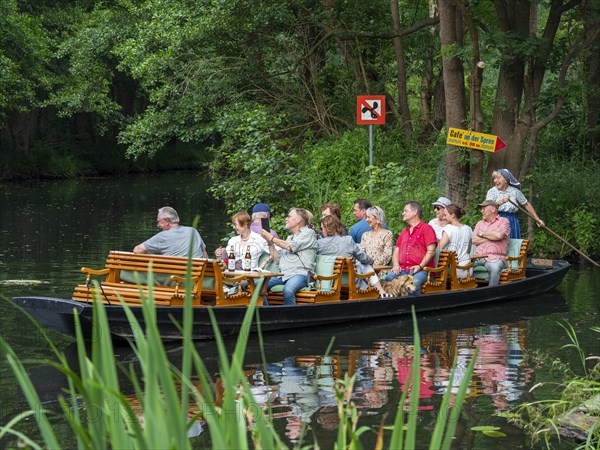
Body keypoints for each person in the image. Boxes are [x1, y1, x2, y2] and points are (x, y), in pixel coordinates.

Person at [318, 215, 390, 298]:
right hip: (349, 280)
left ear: (328, 229)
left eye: (322, 228)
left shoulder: (319, 244)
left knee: (359, 267)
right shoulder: (347, 240)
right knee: (364, 265)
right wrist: (371, 261)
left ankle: (374, 292)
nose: (322, 231)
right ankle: (381, 292)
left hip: (328, 281)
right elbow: (362, 257)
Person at [260, 208, 317, 305]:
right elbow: (277, 258)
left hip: (301, 274)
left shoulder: (308, 233)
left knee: (288, 290)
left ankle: (289, 318)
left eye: (289, 216)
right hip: (284, 275)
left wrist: (272, 238)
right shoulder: (290, 238)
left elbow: (290, 247)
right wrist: (269, 242)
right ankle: (268, 314)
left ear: (298, 220)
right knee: (257, 286)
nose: (286, 219)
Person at [383, 201, 437, 295]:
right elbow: (397, 251)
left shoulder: (427, 229)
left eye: (405, 211)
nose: (403, 213)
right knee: (389, 279)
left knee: (413, 284)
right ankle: (395, 307)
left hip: (422, 270)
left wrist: (420, 266)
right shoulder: (404, 232)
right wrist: (396, 265)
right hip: (403, 270)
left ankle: (414, 308)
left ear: (415, 212)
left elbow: (431, 251)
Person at [485, 169, 544, 239]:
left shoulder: (515, 191)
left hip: (512, 222)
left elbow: (526, 204)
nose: (495, 180)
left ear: (506, 180)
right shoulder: (492, 191)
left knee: (513, 246)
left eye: (498, 178)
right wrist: (502, 201)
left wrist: (537, 219)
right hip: (497, 221)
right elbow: (488, 208)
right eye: (494, 178)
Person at [133, 206, 208, 258]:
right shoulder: (193, 231)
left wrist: (148, 252)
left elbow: (137, 250)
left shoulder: (162, 236)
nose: (157, 225)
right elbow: (205, 257)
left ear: (166, 221)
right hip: (196, 277)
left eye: (158, 221)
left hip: (172, 279)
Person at [472, 200, 510, 286]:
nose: (481, 211)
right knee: (463, 265)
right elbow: (473, 240)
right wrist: (492, 237)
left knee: (494, 268)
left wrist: (482, 234)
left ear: (493, 209)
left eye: (484, 208)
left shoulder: (504, 221)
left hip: (496, 257)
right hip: (478, 257)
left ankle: (491, 293)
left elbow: (499, 236)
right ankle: (466, 291)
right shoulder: (479, 223)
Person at [438, 204, 473, 279]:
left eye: (445, 215)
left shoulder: (448, 229)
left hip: (454, 270)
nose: (444, 217)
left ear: (453, 215)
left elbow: (439, 248)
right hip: (469, 270)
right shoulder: (468, 229)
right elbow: (469, 250)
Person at [359, 206, 394, 275]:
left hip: (380, 269)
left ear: (377, 218)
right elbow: (361, 252)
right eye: (366, 217)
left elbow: (387, 254)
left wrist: (374, 264)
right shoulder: (365, 235)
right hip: (365, 268)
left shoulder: (387, 234)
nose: (366, 220)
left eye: (369, 217)